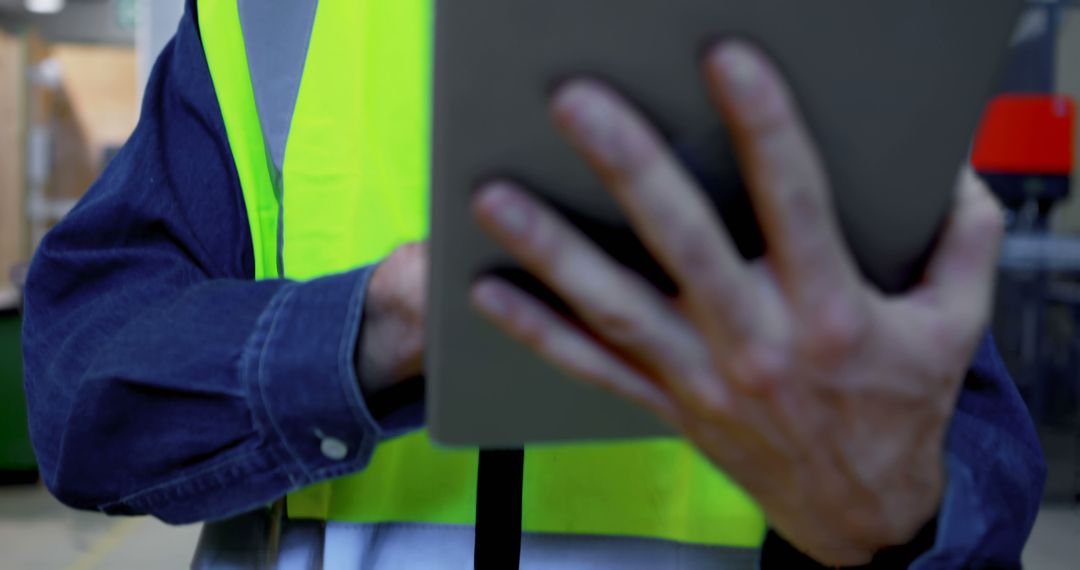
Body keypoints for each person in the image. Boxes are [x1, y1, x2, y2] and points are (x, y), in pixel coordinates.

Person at [21, 1, 1045, 568]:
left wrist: (904, 517)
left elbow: (971, 462)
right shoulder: (271, 16)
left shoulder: (816, 28)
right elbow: (83, 387)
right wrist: (374, 328)